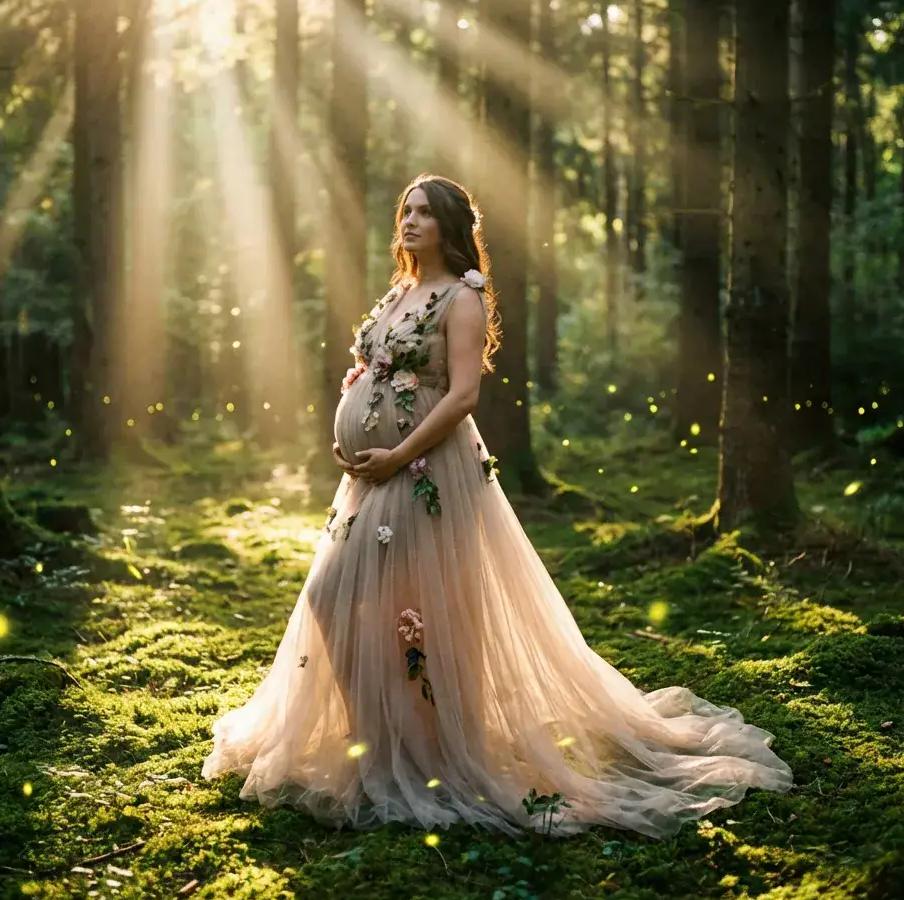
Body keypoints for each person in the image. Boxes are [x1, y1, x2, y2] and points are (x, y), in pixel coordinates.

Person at [201, 174, 792, 838]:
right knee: (335, 599)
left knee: (419, 613)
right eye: (406, 211)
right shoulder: (399, 293)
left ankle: (424, 750)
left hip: (427, 473)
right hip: (371, 479)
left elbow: (460, 397)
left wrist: (395, 454)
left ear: (452, 227)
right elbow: (372, 377)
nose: (411, 221)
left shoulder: (462, 299)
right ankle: (377, 739)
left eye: (426, 212)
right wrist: (355, 438)